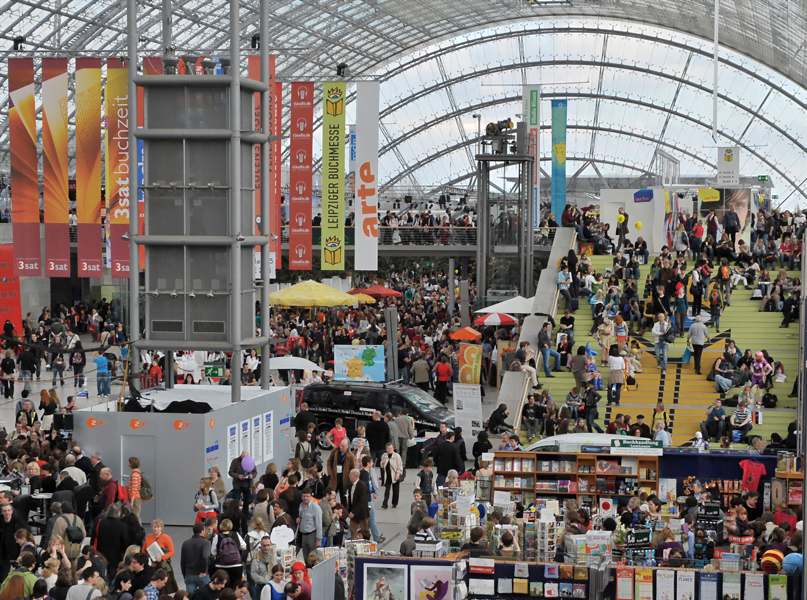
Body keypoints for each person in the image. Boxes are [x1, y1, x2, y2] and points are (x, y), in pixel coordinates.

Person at [96, 504, 129, 580]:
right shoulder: (122, 525)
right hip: (116, 555)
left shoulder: (101, 522)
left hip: (101, 552)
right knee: (113, 576)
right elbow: (125, 542)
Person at [210, 519, 247, 588]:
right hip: (236, 565)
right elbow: (244, 547)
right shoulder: (236, 534)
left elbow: (213, 552)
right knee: (236, 587)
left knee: (223, 587)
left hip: (221, 566)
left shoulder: (217, 537)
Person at [180, 523, 211, 595]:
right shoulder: (206, 543)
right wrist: (204, 571)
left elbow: (182, 561)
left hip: (189, 574)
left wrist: (185, 574)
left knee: (190, 596)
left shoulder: (185, 543)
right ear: (202, 531)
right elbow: (205, 557)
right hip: (201, 574)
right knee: (206, 595)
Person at [295, 489, 322, 565]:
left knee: (313, 557)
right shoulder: (301, 505)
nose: (305, 498)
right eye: (304, 496)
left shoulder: (316, 508)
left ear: (311, 496)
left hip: (312, 534)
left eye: (307, 496)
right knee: (305, 556)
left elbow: (319, 524)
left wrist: (318, 539)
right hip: (303, 534)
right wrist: (298, 520)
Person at [326, 438, 355, 505]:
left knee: (344, 497)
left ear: (347, 446)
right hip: (334, 477)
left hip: (344, 479)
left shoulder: (350, 456)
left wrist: (351, 478)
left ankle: (343, 511)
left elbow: (352, 468)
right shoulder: (335, 452)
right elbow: (329, 461)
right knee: (331, 495)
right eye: (340, 445)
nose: (341, 447)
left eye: (343, 446)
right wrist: (330, 473)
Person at [228, 451, 256, 516]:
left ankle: (245, 516)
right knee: (236, 502)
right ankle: (236, 515)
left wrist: (252, 476)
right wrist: (238, 476)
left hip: (247, 484)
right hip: (238, 485)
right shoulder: (235, 461)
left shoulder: (250, 461)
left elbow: (255, 472)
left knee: (246, 502)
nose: (245, 459)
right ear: (241, 456)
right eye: (244, 457)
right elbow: (230, 472)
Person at [346, 469, 370, 538]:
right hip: (353, 512)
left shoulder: (362, 486)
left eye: (350, 475)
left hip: (361, 513)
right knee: (353, 530)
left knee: (365, 530)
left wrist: (353, 512)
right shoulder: (351, 484)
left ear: (355, 476)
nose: (349, 476)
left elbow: (361, 501)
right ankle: (354, 543)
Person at [379, 443, 402, 510]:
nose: (390, 449)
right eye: (388, 448)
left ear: (393, 449)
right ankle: (385, 503)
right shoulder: (384, 455)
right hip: (387, 475)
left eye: (391, 448)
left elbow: (400, 466)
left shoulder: (397, 456)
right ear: (386, 449)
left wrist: (398, 474)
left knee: (395, 490)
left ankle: (394, 503)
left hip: (395, 475)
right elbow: (382, 466)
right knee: (387, 490)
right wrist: (382, 463)